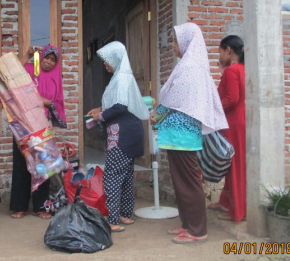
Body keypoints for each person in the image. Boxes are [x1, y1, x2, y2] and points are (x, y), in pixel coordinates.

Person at [150, 22, 228, 244]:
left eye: (176, 41)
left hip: (182, 136)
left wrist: (158, 113)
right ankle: (187, 224)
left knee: (188, 183)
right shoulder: (189, 65)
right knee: (181, 182)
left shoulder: (190, 68)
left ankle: (197, 230)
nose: (173, 45)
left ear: (187, 42)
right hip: (179, 136)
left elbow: (175, 100)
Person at [88, 41, 149, 232]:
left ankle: (113, 220)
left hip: (122, 135)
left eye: (107, 59)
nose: (105, 63)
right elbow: (121, 104)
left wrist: (102, 115)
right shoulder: (123, 77)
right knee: (126, 176)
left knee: (113, 177)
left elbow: (121, 106)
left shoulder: (121, 78)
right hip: (130, 132)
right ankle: (125, 215)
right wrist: (100, 110)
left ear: (115, 58)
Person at [10, 45, 67, 219]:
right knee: (22, 164)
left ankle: (40, 207)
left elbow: (56, 103)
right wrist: (27, 55)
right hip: (23, 124)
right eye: (46, 58)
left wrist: (40, 100)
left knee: (43, 165)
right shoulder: (29, 70)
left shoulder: (55, 79)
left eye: (52, 60)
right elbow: (13, 74)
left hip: (42, 125)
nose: (48, 62)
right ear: (40, 58)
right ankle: (19, 206)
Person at [208, 35, 246, 222]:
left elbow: (231, 98)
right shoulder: (241, 69)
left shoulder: (232, 71)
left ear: (228, 50)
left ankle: (237, 211)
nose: (220, 56)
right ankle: (226, 201)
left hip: (233, 122)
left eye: (220, 52)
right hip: (240, 120)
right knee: (235, 164)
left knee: (234, 166)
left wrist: (213, 110)